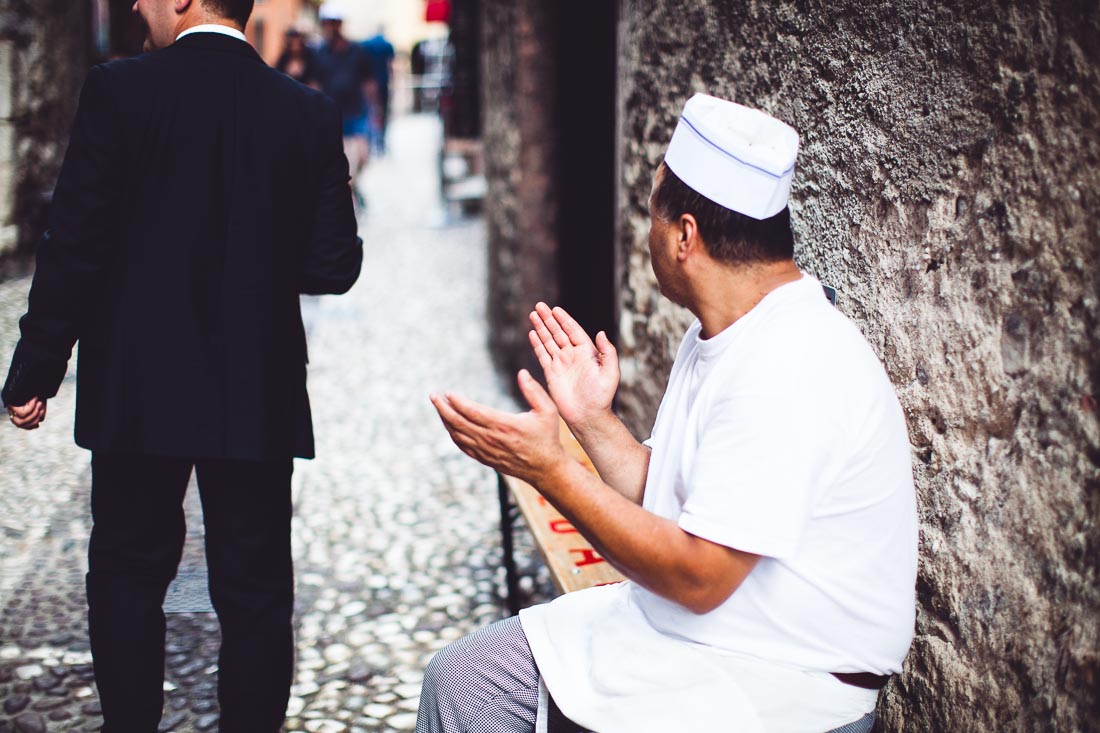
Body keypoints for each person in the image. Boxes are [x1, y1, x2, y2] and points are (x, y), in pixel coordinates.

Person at [421, 94, 917, 733]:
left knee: (476, 690)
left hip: (777, 680)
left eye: (652, 214)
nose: (645, 232)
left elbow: (698, 576)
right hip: (702, 643)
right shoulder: (729, 329)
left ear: (685, 235)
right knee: (464, 677)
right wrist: (592, 420)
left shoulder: (789, 361)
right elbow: (672, 497)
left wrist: (551, 471)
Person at [1, 0, 362, 730]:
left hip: (140, 384)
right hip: (254, 387)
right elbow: (334, 264)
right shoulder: (306, 113)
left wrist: (35, 368)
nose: (134, 3)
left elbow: (73, 245)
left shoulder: (118, 92)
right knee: (256, 592)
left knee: (128, 579)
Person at [314, 1, 375, 192]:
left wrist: (375, 112)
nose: (330, 27)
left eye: (333, 22)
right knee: (340, 160)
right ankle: (347, 192)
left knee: (362, 157)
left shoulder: (357, 51)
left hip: (356, 113)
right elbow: (315, 84)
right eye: (326, 23)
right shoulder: (319, 53)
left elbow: (368, 83)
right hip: (331, 115)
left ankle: (352, 187)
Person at [361, 28, 395, 154]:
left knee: (369, 112)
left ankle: (370, 141)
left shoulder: (366, 45)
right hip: (381, 82)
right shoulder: (387, 45)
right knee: (382, 113)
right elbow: (390, 65)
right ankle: (380, 142)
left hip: (368, 84)